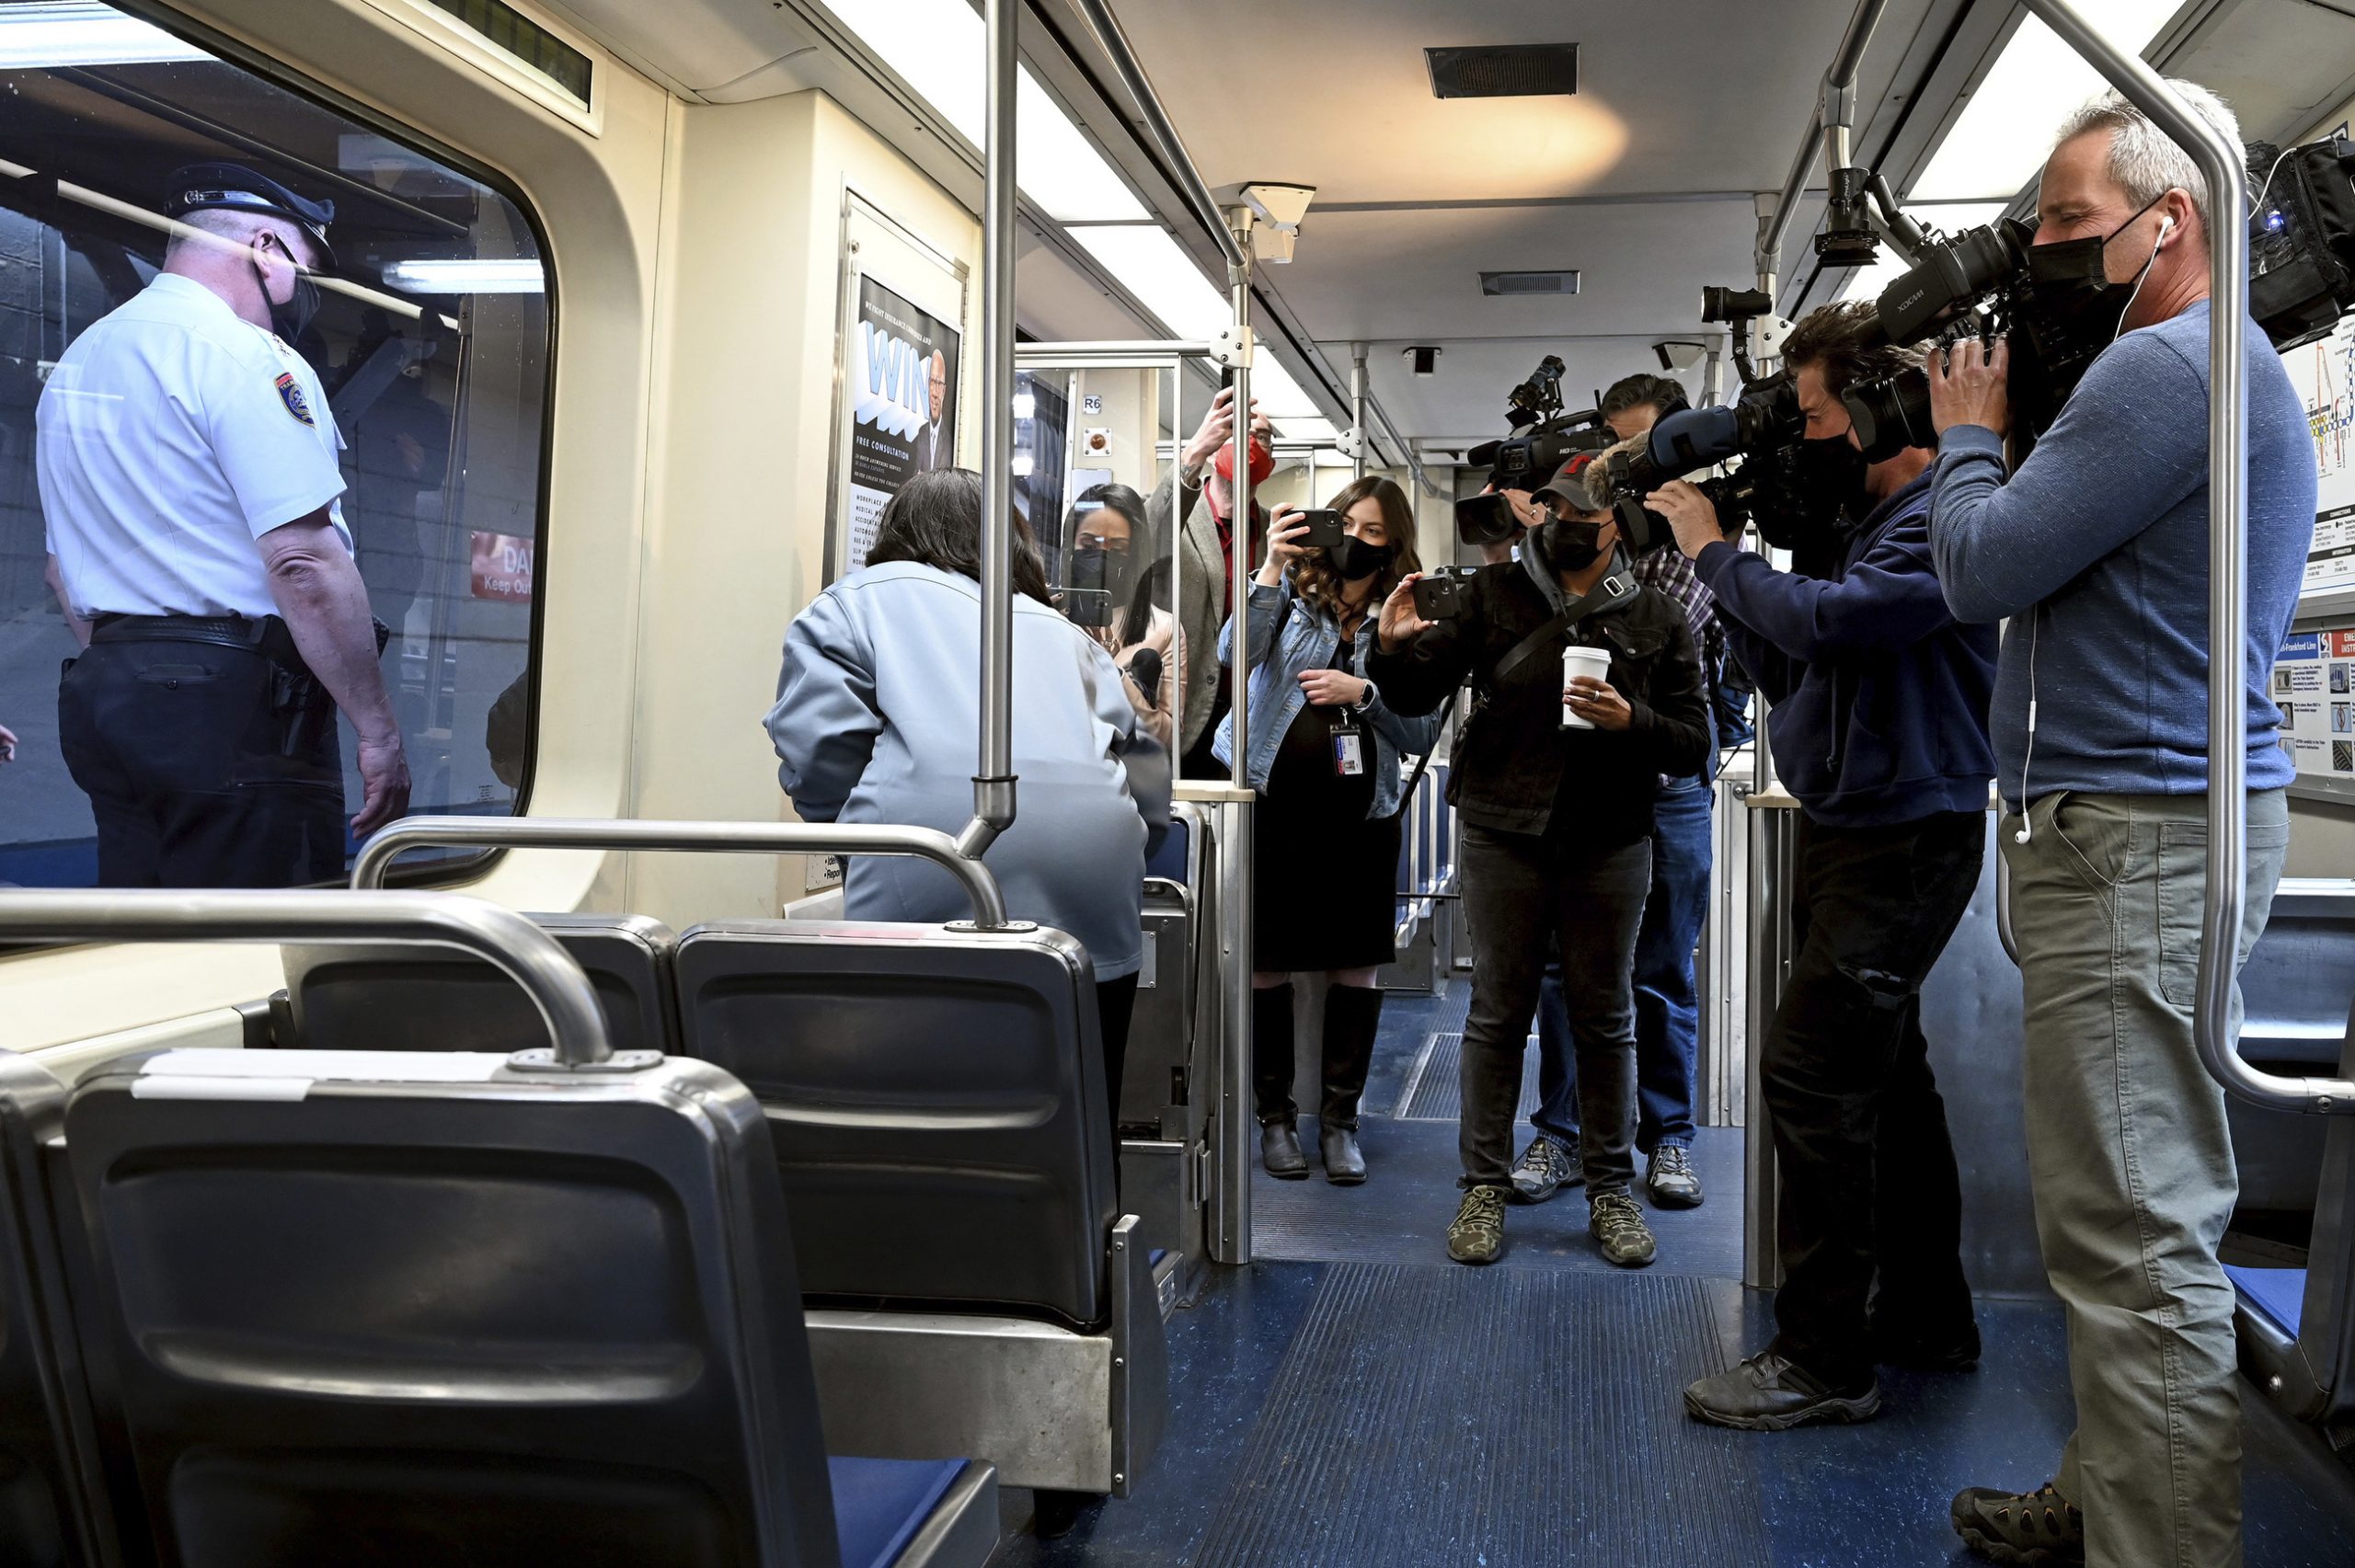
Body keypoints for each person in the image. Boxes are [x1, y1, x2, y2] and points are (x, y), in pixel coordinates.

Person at [1924, 83, 2313, 1568]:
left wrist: (1970, 437)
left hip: (2139, 833)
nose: (2054, 258)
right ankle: (2104, 1498)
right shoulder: (2208, 366)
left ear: (2176, 217)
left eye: (2078, 227)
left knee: (2135, 1236)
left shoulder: (2166, 371)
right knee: (2119, 1212)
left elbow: (1983, 569)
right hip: (2148, 821)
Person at [1644, 302, 1996, 1432]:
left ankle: (1824, 1356)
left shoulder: (1943, 516)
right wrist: (1726, 580)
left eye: (1812, 413)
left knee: (1807, 1070)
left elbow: (1840, 626)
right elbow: (1791, 656)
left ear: (1882, 406)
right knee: (1888, 1076)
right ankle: (1928, 1315)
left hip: (1903, 833)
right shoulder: (1863, 524)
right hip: (1861, 823)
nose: (1803, 438)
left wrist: (1715, 551)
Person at [1367, 456, 1708, 1268]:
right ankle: (1481, 1186)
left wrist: (1632, 720)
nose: (1561, 522)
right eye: (1552, 507)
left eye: (1581, 511)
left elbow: (1694, 741)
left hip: (1611, 835)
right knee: (1496, 1014)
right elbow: (1417, 696)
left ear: (1615, 523)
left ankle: (1610, 1189)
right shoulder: (1492, 597)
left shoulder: (1658, 615)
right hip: (1500, 828)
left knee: (1606, 1018)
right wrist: (1385, 652)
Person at [37, 162, 408, 887]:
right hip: (232, 704)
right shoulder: (245, 356)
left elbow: (62, 571)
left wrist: (145, 672)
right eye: (302, 268)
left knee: (139, 929)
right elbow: (302, 559)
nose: (301, 292)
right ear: (266, 248)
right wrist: (378, 730)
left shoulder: (80, 363)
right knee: (253, 939)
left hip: (104, 689)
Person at [766, 468, 1171, 1133]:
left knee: (921, 1123)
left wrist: (874, 840)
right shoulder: (1066, 635)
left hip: (926, 874)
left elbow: (816, 752)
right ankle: (1085, 1231)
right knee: (1080, 1125)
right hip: (1094, 903)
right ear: (1016, 547)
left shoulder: (851, 604)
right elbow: (1147, 787)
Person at [1516, 396, 1725, 1215]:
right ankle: (1562, 1133)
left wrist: (1645, 526)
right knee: (1567, 973)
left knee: (1664, 968)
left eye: (1642, 443)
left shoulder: (1694, 531)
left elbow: (1682, 616)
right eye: (1616, 444)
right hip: (1582, 792)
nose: (1625, 457)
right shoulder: (1583, 523)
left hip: (1667, 789)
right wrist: (1545, 531)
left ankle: (1666, 1135)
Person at [1216, 475, 1441, 1185]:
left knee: (1356, 964)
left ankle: (1341, 1121)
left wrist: (1365, 691)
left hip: (1362, 821)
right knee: (1265, 961)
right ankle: (1275, 1118)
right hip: (1275, 807)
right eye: (1346, 522)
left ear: (1393, 542)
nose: (1356, 538)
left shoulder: (1404, 615)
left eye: (1373, 530)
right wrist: (1270, 568)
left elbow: (1420, 728)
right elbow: (1233, 655)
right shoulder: (1289, 596)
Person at [1146, 384, 1274, 777]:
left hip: (1255, 720)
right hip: (1183, 717)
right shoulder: (1180, 519)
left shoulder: (1274, 532)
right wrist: (1194, 452)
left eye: (1262, 438)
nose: (1251, 442)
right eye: (1239, 433)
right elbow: (1145, 539)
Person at [1061, 483, 1185, 751]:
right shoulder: (1050, 617)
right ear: (1071, 547)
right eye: (1089, 544)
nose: (1102, 557)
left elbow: (1167, 736)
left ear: (1134, 554)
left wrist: (1112, 671)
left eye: (1117, 549)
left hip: (1129, 776)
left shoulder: (1163, 629)